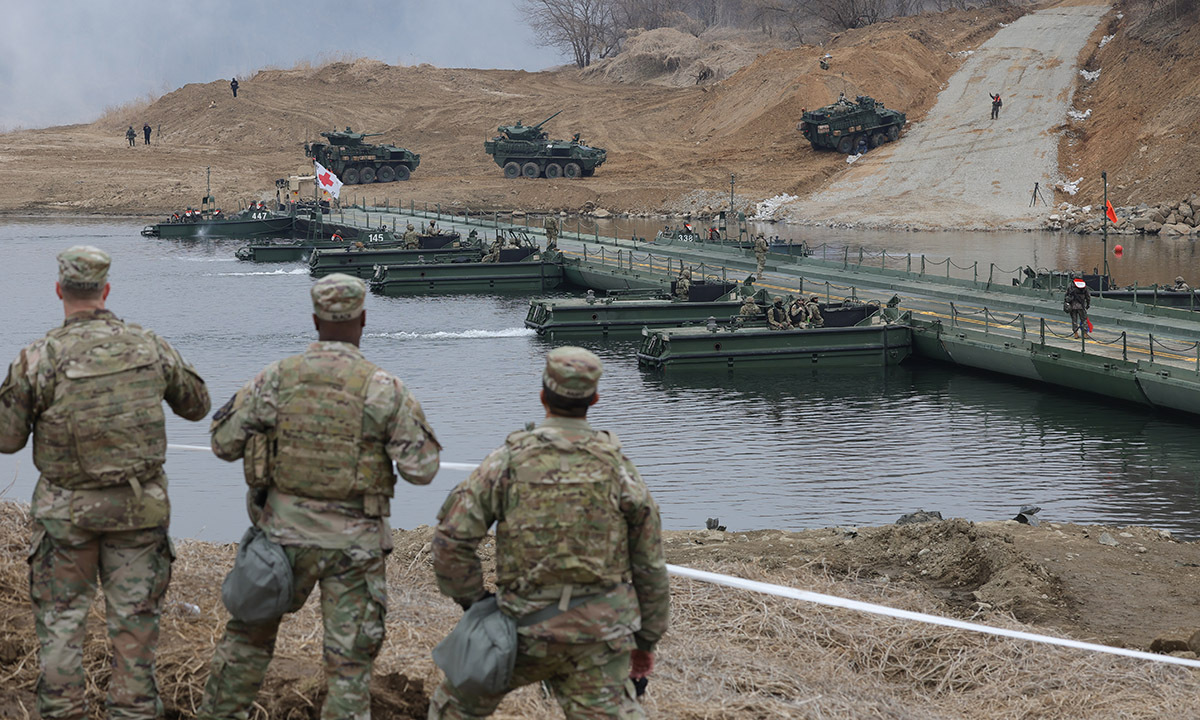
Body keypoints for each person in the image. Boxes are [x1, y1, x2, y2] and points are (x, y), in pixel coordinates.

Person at [197, 273, 441, 720]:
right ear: (363, 319)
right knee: (349, 670)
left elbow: (223, 442)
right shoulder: (383, 388)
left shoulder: (278, 378)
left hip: (281, 541)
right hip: (355, 546)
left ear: (314, 320)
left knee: (246, 645)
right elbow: (422, 470)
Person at [0, 246, 211, 719]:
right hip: (138, 514)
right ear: (106, 290)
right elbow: (197, 405)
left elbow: (7, 440)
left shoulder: (38, 358)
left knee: (60, 630)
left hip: (64, 515)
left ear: (59, 291)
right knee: (136, 630)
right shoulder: (149, 346)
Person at [428, 346, 669, 719]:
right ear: (595, 399)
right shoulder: (619, 470)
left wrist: (475, 602)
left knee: (452, 709)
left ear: (543, 396)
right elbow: (650, 565)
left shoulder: (507, 461)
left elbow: (450, 542)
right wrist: (646, 641)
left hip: (519, 630)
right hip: (597, 637)